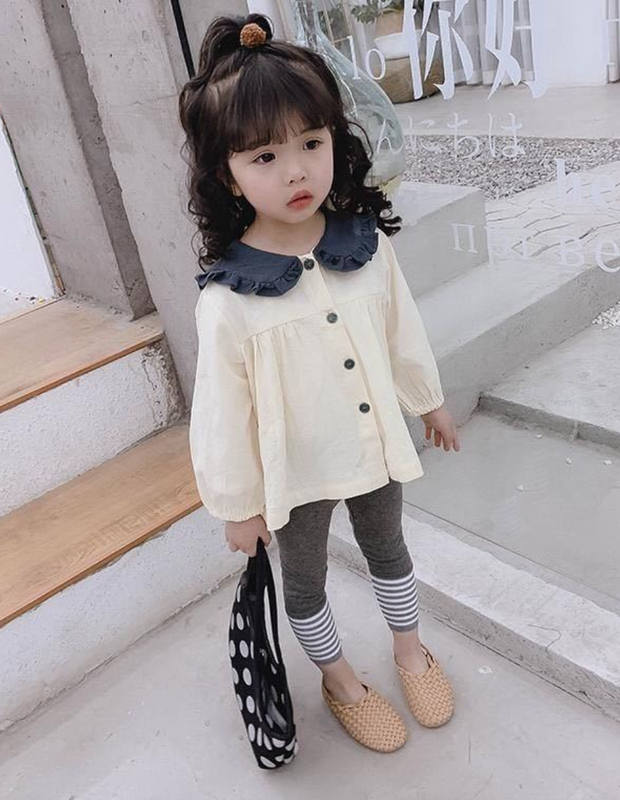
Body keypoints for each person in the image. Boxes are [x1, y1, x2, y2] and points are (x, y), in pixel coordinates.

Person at [178, 12, 461, 753]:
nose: (297, 171)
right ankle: (340, 681)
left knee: (389, 549)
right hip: (297, 470)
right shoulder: (229, 299)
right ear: (227, 174)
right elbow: (221, 413)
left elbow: (401, 331)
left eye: (311, 142)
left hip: (373, 446)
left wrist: (427, 401)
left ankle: (411, 652)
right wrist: (237, 505)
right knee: (304, 583)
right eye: (265, 156)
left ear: (337, 137)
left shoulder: (365, 248)